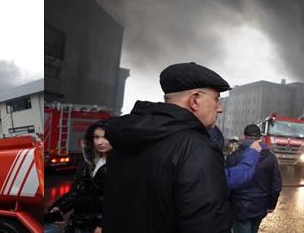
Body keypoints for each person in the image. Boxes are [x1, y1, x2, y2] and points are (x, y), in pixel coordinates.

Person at [104, 62, 239, 232]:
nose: (220, 109)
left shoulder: (125, 139)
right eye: (216, 99)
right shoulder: (197, 149)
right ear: (195, 100)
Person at [48, 120, 112, 233]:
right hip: (78, 224)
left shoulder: (121, 166)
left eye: (105, 137)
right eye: (96, 137)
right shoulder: (88, 161)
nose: (100, 142)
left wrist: (102, 225)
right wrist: (60, 207)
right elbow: (77, 190)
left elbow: (121, 201)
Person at [227, 124, 282, 233]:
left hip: (239, 208)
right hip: (260, 207)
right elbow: (276, 185)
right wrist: (271, 205)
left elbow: (226, 184)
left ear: (244, 137)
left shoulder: (234, 157)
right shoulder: (270, 158)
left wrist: (226, 206)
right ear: (259, 138)